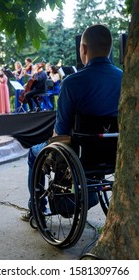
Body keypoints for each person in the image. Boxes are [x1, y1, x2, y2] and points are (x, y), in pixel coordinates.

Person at [21, 24, 123, 221]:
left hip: (80, 155)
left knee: (34, 153)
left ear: (83, 49)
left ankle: (37, 208)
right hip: (115, 153)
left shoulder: (72, 82)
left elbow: (61, 132)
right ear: (110, 48)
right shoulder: (125, 79)